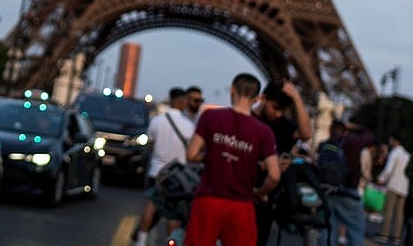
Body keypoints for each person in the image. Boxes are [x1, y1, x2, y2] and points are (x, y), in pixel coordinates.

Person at [185, 72, 280, 246]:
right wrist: (260, 194)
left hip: (208, 200)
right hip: (242, 206)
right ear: (257, 98)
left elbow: (191, 155)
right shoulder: (264, 132)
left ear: (232, 90)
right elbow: (274, 175)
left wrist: (212, 155)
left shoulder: (210, 116)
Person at [252, 79, 313, 246]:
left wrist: (297, 98)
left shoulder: (282, 125)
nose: (278, 114)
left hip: (267, 199)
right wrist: (267, 165)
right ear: (263, 99)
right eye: (276, 107)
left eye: (282, 110)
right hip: (246, 193)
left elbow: (306, 133)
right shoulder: (248, 120)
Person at [134, 87, 195, 246]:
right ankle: (171, 242)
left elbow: (151, 144)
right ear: (182, 102)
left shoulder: (156, 121)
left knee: (150, 206)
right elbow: (192, 152)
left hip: (156, 171)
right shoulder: (189, 126)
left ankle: (141, 240)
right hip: (177, 177)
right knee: (173, 214)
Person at [317, 120, 376, 246]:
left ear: (330, 130)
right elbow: (370, 136)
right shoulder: (351, 144)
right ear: (345, 132)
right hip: (348, 192)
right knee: (355, 229)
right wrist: (355, 126)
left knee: (328, 229)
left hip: (327, 192)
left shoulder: (323, 145)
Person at [376, 134, 411, 244]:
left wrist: (381, 178)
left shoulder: (395, 153)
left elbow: (389, 169)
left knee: (389, 210)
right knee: (400, 212)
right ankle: (397, 236)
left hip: (393, 185)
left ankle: (384, 234)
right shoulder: (407, 155)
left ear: (396, 141)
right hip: (404, 187)